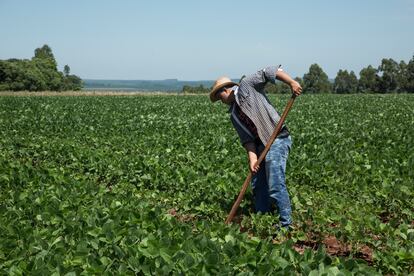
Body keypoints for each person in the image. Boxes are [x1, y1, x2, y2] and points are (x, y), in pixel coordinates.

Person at [210, 66, 302, 229]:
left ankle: (286, 224)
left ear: (224, 91)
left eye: (219, 97)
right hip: (260, 146)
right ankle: (262, 220)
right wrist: (252, 159)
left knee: (275, 182)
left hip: (277, 139)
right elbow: (248, 140)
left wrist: (291, 82)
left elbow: (270, 71)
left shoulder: (247, 85)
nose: (220, 102)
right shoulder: (234, 115)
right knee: (258, 184)